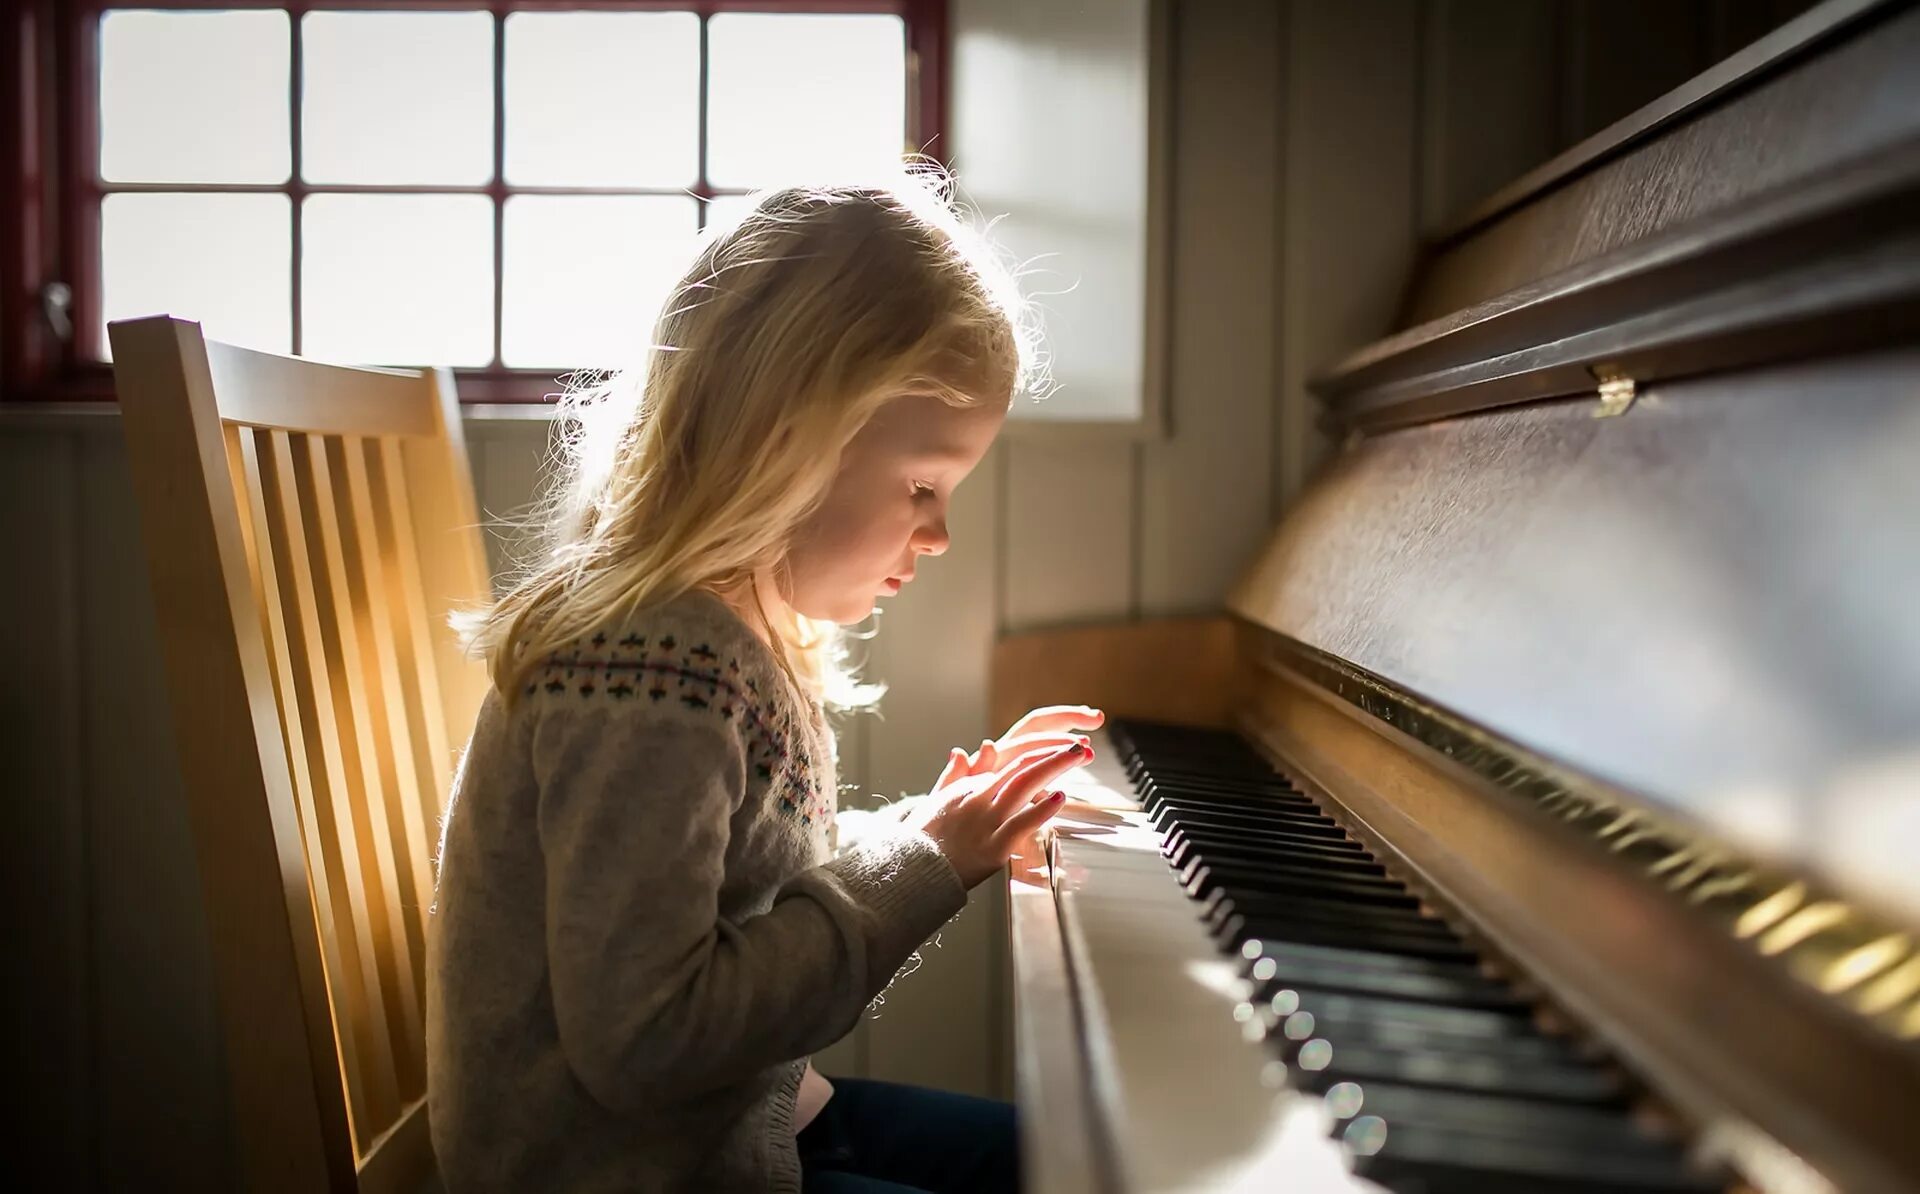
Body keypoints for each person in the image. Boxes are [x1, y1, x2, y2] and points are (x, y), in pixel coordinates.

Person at [427, 172, 1103, 1193]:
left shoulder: (705, 645)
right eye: (924, 486)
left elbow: (748, 902)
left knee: (1077, 1166)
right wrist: (930, 866)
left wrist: (940, 826)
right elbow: (647, 1040)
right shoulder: (651, 667)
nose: (940, 532)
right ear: (782, 437)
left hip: (738, 1128)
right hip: (625, 1171)